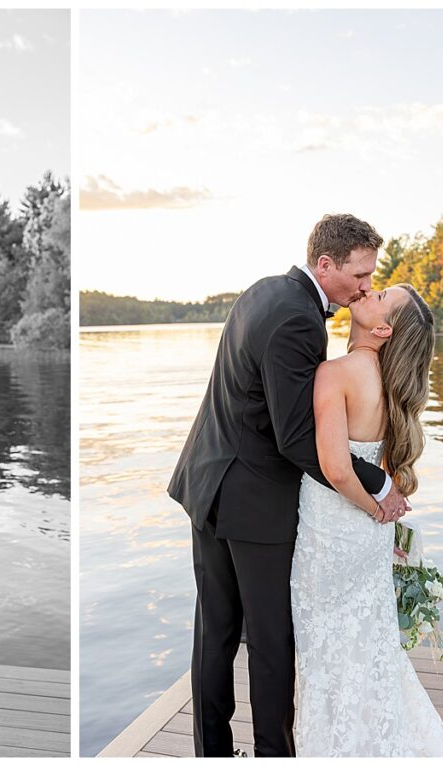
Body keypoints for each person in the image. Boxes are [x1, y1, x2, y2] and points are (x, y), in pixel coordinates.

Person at [167, 214, 410, 756]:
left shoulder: (264, 291)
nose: (367, 285)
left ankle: (212, 751)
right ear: (325, 265)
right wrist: (379, 482)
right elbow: (297, 438)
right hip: (253, 503)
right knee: (272, 644)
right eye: (360, 274)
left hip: (205, 481)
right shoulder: (300, 320)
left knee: (215, 632)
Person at [290, 283, 443, 756]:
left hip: (329, 538)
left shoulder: (335, 373)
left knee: (327, 657)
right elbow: (374, 470)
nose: (367, 290)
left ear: (383, 327)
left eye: (380, 294)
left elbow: (336, 468)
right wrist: (381, 518)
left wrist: (376, 508)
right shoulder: (391, 384)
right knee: (368, 652)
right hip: (364, 542)